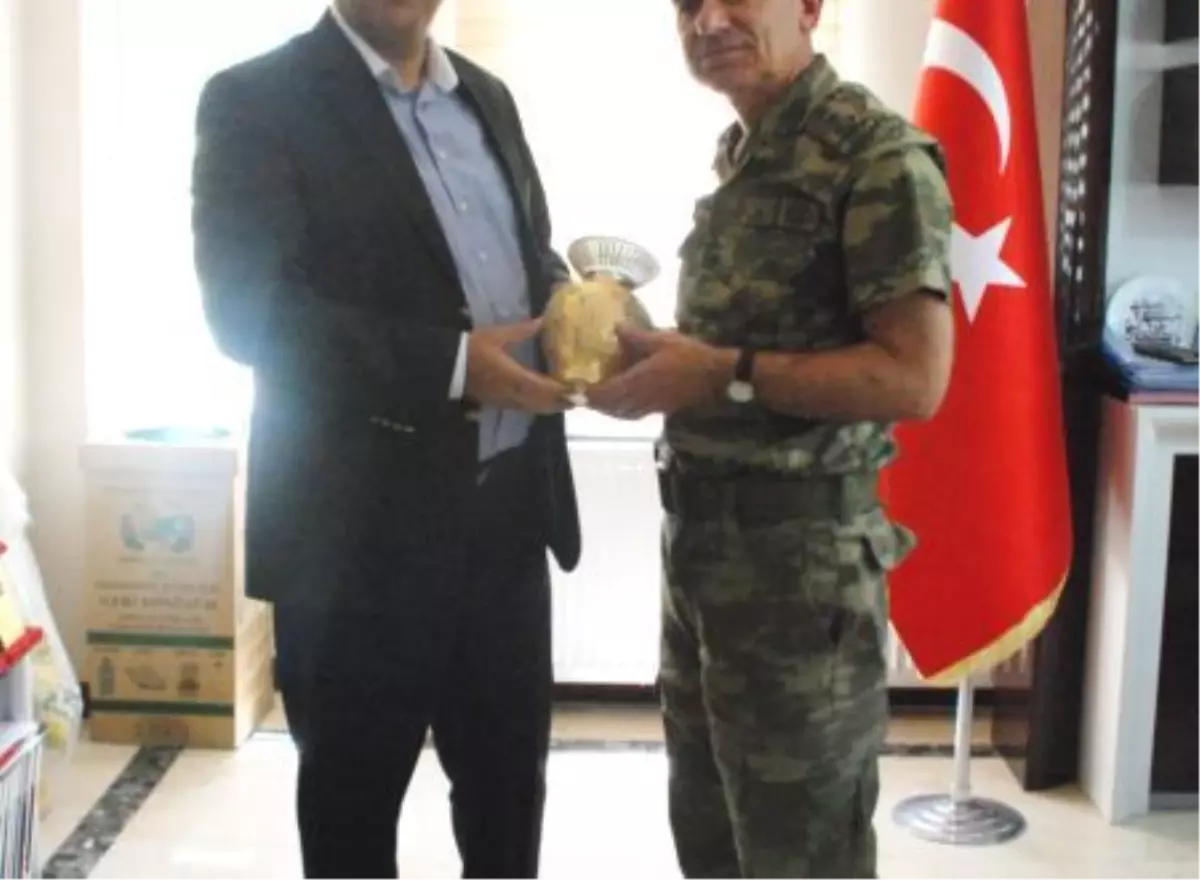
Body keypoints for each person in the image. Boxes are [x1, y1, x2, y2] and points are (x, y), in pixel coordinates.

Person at [191, 1, 580, 877]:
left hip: (506, 523)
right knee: (352, 818)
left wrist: (574, 310)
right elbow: (246, 313)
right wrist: (454, 365)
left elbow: (531, 251)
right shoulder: (256, 100)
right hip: (355, 546)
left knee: (508, 805)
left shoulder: (486, 95)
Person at [588, 0, 956, 877]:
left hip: (799, 570)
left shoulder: (873, 154)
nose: (709, 21)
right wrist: (654, 356)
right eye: (687, 4)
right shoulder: (745, 151)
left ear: (809, 8)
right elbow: (743, 347)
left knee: (801, 851)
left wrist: (717, 371)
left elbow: (914, 378)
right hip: (703, 554)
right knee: (711, 834)